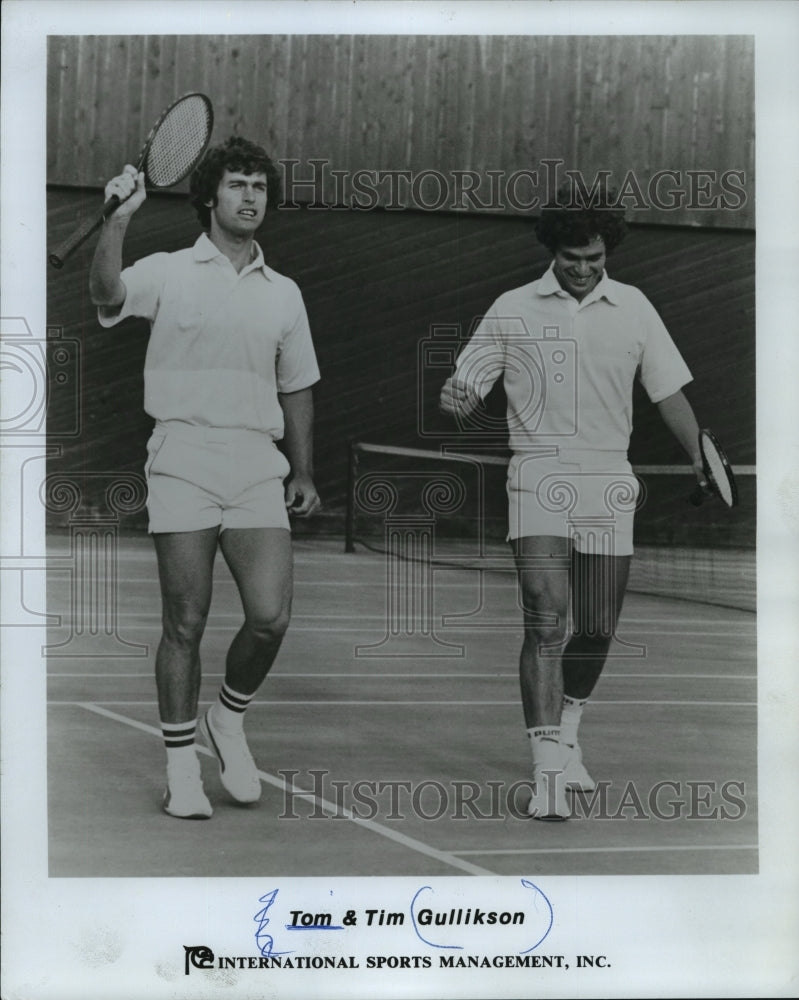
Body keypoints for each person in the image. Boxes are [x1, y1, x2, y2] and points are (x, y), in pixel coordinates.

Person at [440, 182, 706, 821]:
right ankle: (547, 772)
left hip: (609, 478)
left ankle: (569, 731)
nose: (583, 269)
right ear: (551, 250)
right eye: (571, 258)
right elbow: (467, 381)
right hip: (537, 473)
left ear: (606, 252)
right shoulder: (511, 308)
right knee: (546, 616)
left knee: (595, 628)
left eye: (594, 258)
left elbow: (667, 391)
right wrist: (459, 394)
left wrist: (701, 454)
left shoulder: (636, 308)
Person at [89, 136, 321, 820]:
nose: (251, 197)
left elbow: (298, 384)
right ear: (209, 198)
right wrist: (117, 221)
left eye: (259, 187)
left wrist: (303, 468)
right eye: (238, 185)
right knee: (184, 623)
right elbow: (105, 292)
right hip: (183, 456)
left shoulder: (285, 293)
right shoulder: (168, 271)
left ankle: (229, 717)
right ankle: (181, 768)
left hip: (256, 463)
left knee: (270, 617)